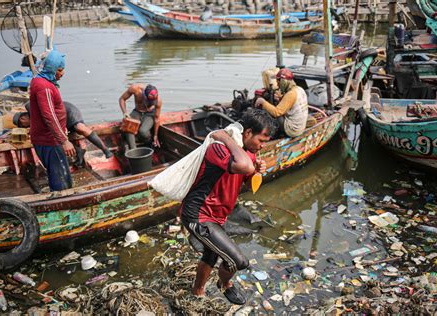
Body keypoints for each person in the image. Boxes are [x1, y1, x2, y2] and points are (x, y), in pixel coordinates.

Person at [180, 109, 277, 305]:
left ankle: (197, 291)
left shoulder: (246, 153)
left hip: (217, 216)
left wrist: (258, 172)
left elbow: (250, 183)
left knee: (212, 252)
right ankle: (224, 284)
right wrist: (225, 136)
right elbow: (243, 166)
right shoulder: (219, 148)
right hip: (198, 214)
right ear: (247, 133)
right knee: (238, 261)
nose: (262, 146)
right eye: (261, 140)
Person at [29, 50, 74, 191]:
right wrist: (64, 140)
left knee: (60, 175)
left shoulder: (40, 81)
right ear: (52, 69)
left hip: (49, 139)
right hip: (50, 140)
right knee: (60, 179)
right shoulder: (44, 87)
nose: (62, 73)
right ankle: (63, 207)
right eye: (60, 70)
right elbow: (49, 115)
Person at [14, 102, 113, 158]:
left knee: (80, 128)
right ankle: (79, 151)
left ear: (23, 118)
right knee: (52, 139)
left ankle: (105, 150)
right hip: (60, 123)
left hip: (68, 113)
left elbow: (30, 104)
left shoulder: (30, 108)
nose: (26, 127)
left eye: (23, 125)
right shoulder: (37, 123)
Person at [254, 68, 308, 138]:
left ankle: (271, 135)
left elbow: (277, 112)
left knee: (269, 114)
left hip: (292, 130)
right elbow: (291, 103)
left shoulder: (291, 94)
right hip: (300, 127)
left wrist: (263, 102)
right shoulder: (299, 89)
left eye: (278, 82)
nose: (278, 85)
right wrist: (281, 99)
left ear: (283, 81)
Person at [118, 84, 162, 149]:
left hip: (149, 114)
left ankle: (149, 144)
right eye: (149, 101)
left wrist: (155, 135)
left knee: (143, 132)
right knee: (129, 127)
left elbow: (156, 118)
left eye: (152, 102)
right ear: (144, 95)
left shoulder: (158, 101)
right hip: (137, 111)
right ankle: (133, 150)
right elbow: (122, 99)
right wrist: (125, 113)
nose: (150, 103)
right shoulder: (135, 89)